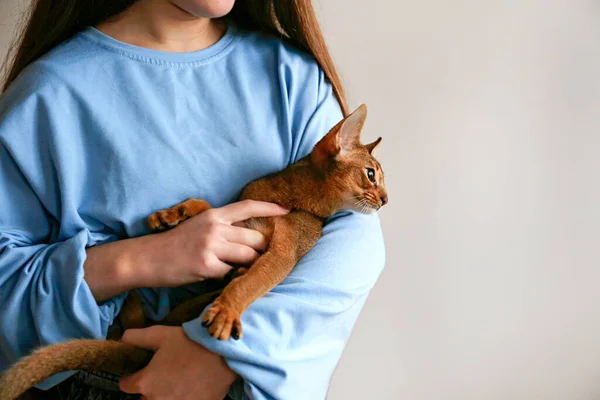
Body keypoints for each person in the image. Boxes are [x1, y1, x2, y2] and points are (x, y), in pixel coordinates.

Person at [0, 1, 386, 399]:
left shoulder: (292, 78)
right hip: (97, 373)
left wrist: (223, 355)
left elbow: (352, 249)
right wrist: (145, 258)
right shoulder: (48, 93)